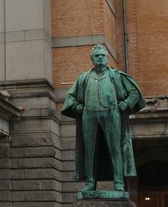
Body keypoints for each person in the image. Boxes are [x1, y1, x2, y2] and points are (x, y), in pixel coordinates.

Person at [62, 44, 144, 192]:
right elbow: (70, 98)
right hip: (89, 115)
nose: (100, 57)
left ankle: (118, 182)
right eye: (97, 55)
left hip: (111, 113)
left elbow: (135, 93)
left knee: (115, 149)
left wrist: (125, 104)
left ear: (107, 58)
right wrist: (76, 107)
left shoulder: (117, 76)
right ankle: (90, 182)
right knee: (90, 150)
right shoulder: (83, 78)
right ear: (92, 60)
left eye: (102, 55)